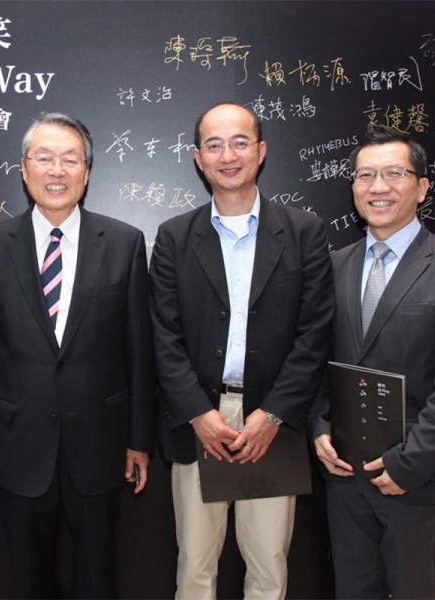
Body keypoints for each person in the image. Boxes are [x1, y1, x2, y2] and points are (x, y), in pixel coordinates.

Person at [0, 112, 155, 598]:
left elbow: (139, 351)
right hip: (17, 444)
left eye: (70, 159)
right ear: (23, 168)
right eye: (44, 158)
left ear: (86, 172)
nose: (57, 170)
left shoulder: (125, 243)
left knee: (97, 579)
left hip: (100, 443)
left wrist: (139, 439)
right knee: (29, 581)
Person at [150, 101, 334, 599]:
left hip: (271, 422)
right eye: (214, 145)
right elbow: (163, 335)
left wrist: (274, 413)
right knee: (195, 565)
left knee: (269, 566)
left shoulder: (304, 232)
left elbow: (314, 333)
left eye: (239, 143)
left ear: (261, 151)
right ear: (197, 158)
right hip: (200, 422)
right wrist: (197, 413)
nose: (227, 156)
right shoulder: (173, 237)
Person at [308, 125, 435, 599]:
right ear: (353, 187)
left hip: (413, 478)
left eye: (394, 173)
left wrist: (410, 464)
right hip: (345, 475)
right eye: (365, 175)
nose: (378, 187)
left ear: (422, 186)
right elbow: (318, 358)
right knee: (353, 590)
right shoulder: (334, 266)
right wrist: (320, 426)